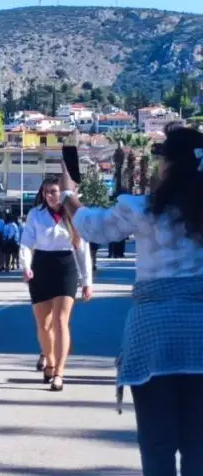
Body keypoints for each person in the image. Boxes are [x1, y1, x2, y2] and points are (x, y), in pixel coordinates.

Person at [66, 125, 203, 475]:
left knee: (157, 443)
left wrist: (70, 196)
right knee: (199, 443)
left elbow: (93, 227)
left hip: (153, 335)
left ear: (167, 165)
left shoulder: (143, 210)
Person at [20, 178, 92, 392]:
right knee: (44, 324)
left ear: (64, 193)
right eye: (47, 192)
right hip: (41, 266)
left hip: (66, 266)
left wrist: (87, 281)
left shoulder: (74, 215)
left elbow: (82, 250)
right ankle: (50, 362)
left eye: (55, 191)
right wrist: (26, 265)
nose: (51, 196)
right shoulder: (35, 214)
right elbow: (26, 242)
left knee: (61, 320)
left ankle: (59, 372)